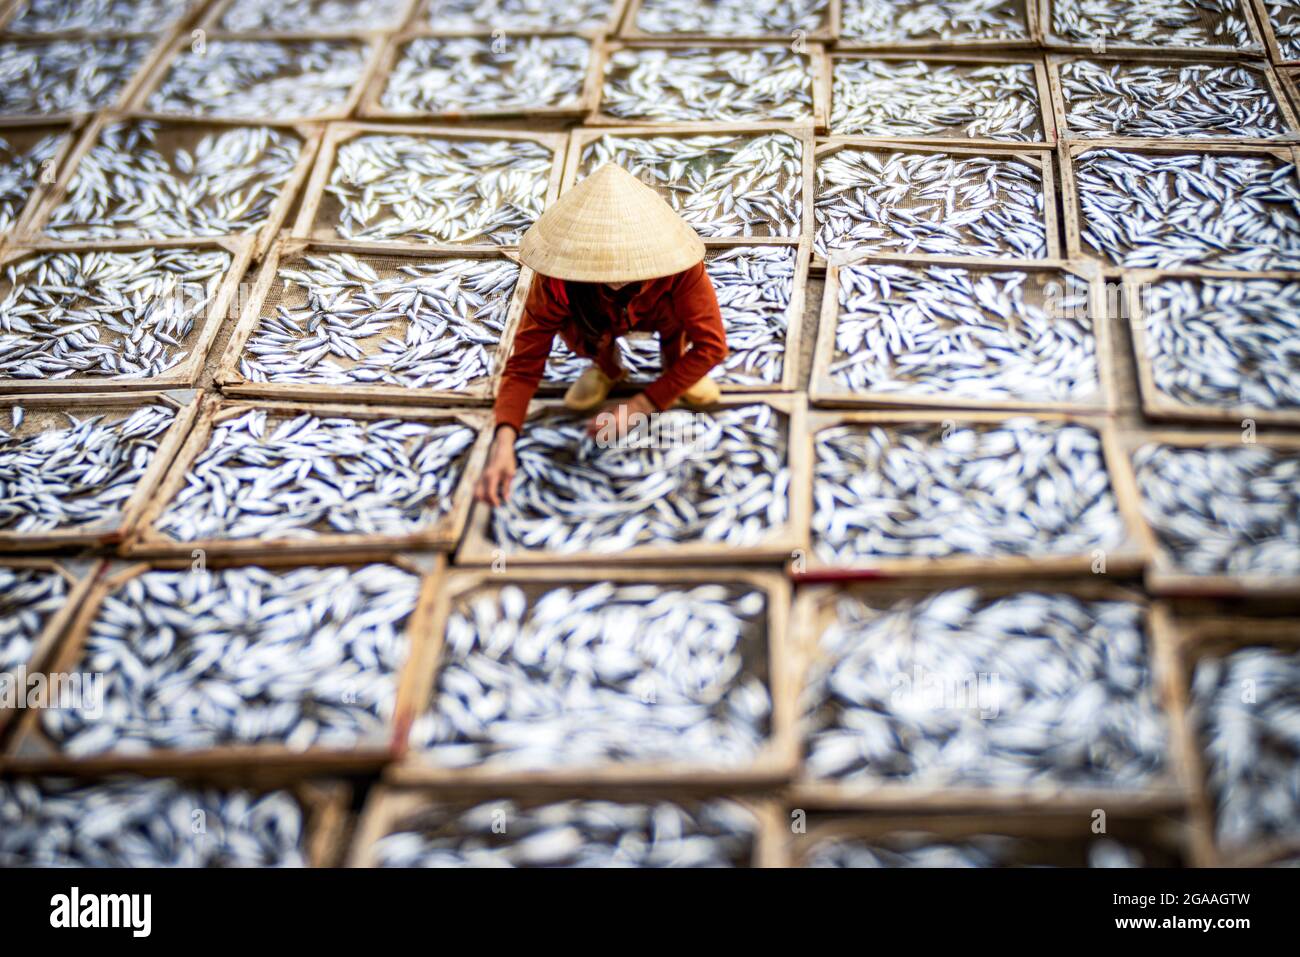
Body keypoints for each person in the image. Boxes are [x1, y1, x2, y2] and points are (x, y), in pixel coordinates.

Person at [474, 163, 728, 506]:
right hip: (596, 326)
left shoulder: (682, 270)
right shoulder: (555, 284)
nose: (616, 277)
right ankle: (607, 369)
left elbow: (712, 346)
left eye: (628, 264)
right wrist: (503, 439)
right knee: (585, 336)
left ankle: (675, 368)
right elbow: (523, 364)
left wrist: (641, 405)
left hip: (661, 316)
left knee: (687, 363)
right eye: (603, 266)